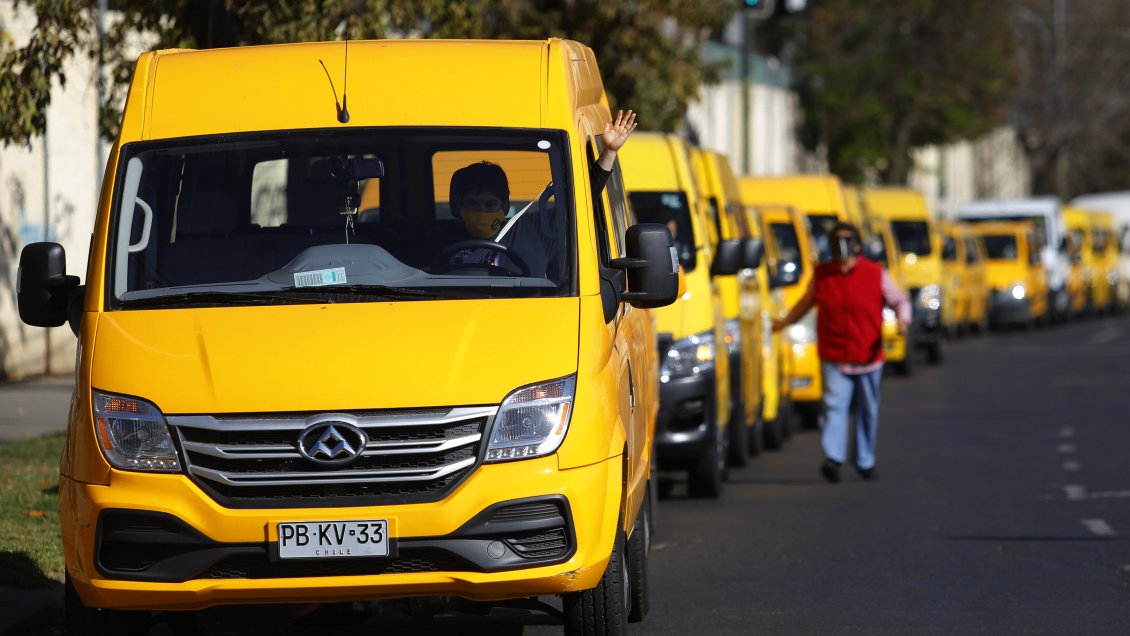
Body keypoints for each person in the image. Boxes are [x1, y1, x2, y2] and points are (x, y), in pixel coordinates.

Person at [773, 222, 911, 483]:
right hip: (835, 354)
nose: (842, 247)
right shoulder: (823, 275)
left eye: (847, 241)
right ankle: (833, 458)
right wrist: (782, 323)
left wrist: (903, 320)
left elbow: (899, 300)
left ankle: (864, 460)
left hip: (868, 355)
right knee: (834, 406)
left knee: (867, 409)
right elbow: (804, 304)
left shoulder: (874, 273)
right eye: (837, 241)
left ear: (857, 245)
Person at [438, 109, 638, 275]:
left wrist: (609, 152)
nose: (481, 212)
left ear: (505, 206)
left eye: (490, 204)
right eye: (473, 204)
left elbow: (582, 202)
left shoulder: (532, 229)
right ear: (459, 206)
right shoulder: (439, 238)